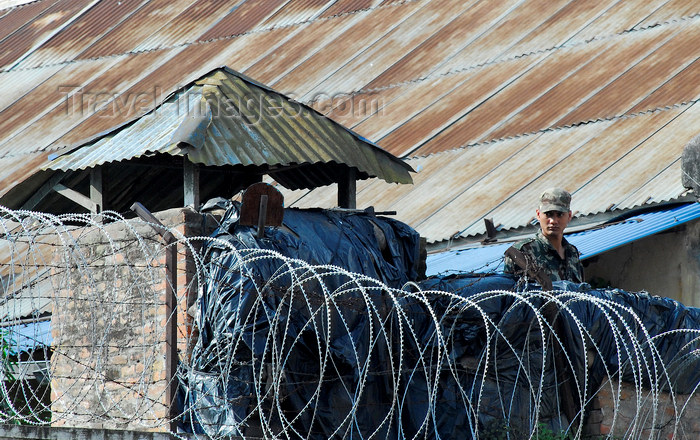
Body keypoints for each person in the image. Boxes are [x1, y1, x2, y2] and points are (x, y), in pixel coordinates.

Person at [503, 187, 584, 285]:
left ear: (569, 216)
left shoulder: (572, 253)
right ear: (538, 215)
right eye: (548, 214)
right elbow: (509, 294)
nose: (553, 221)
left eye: (560, 214)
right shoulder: (521, 252)